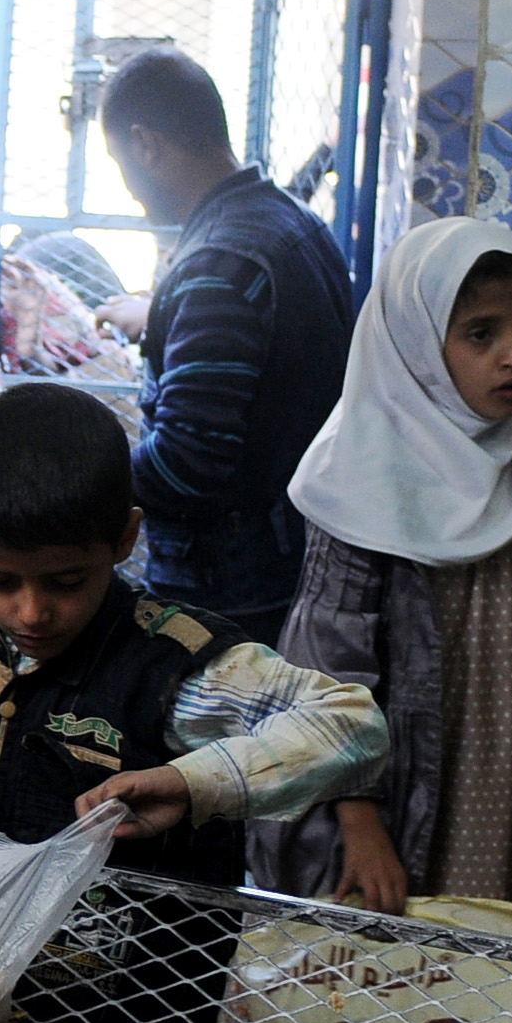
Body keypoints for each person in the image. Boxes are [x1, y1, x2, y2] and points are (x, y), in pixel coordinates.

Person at [0, 382, 389, 1023]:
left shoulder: (175, 666)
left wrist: (193, 782)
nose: (31, 612)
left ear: (124, 538)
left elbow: (353, 724)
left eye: (65, 581)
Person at [252, 219, 512, 915]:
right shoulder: (359, 476)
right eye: (480, 334)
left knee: (484, 950)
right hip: (386, 791)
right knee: (374, 975)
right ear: (415, 343)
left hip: (498, 764)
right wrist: (360, 822)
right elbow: (325, 676)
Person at [98, 47, 355, 647]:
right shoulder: (289, 220)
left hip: (228, 587)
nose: (127, 185)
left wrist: (84, 481)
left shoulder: (219, 260)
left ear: (145, 144)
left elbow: (187, 465)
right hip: (289, 554)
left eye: (118, 160)